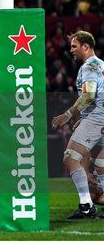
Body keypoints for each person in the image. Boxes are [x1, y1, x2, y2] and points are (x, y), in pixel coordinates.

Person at [51, 30, 104, 219]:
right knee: (100, 164)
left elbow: (89, 95)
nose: (71, 50)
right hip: (100, 116)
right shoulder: (102, 65)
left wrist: (68, 114)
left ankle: (86, 206)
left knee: (71, 157)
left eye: (74, 46)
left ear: (85, 46)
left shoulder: (89, 66)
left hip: (97, 117)